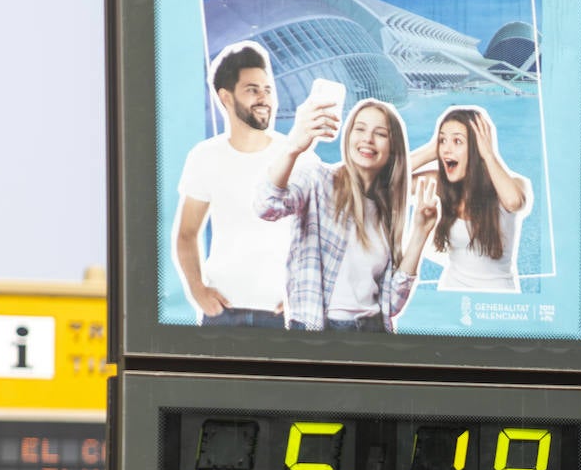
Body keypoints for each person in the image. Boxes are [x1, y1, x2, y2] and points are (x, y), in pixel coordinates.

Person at [257, 96, 437, 332]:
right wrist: (293, 148)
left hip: (375, 333)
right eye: (359, 129)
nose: (367, 139)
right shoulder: (317, 180)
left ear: (392, 147)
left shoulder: (386, 210)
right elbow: (267, 206)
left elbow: (392, 303)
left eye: (380, 134)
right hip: (319, 333)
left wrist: (421, 232)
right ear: (348, 136)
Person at [172, 42, 292, 327]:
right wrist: (197, 290)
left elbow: (323, 234)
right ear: (226, 97)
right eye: (252, 90)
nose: (264, 98)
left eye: (267, 89)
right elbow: (186, 234)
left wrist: (302, 295)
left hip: (283, 316)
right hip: (222, 315)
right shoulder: (205, 157)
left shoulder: (293, 155)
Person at [413, 106, 531, 293]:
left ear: (477, 148)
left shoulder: (514, 184)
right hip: (450, 296)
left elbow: (513, 202)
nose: (447, 149)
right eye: (443, 140)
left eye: (457, 141)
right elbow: (382, 181)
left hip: (497, 302)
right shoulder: (440, 182)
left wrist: (489, 155)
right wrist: (430, 150)